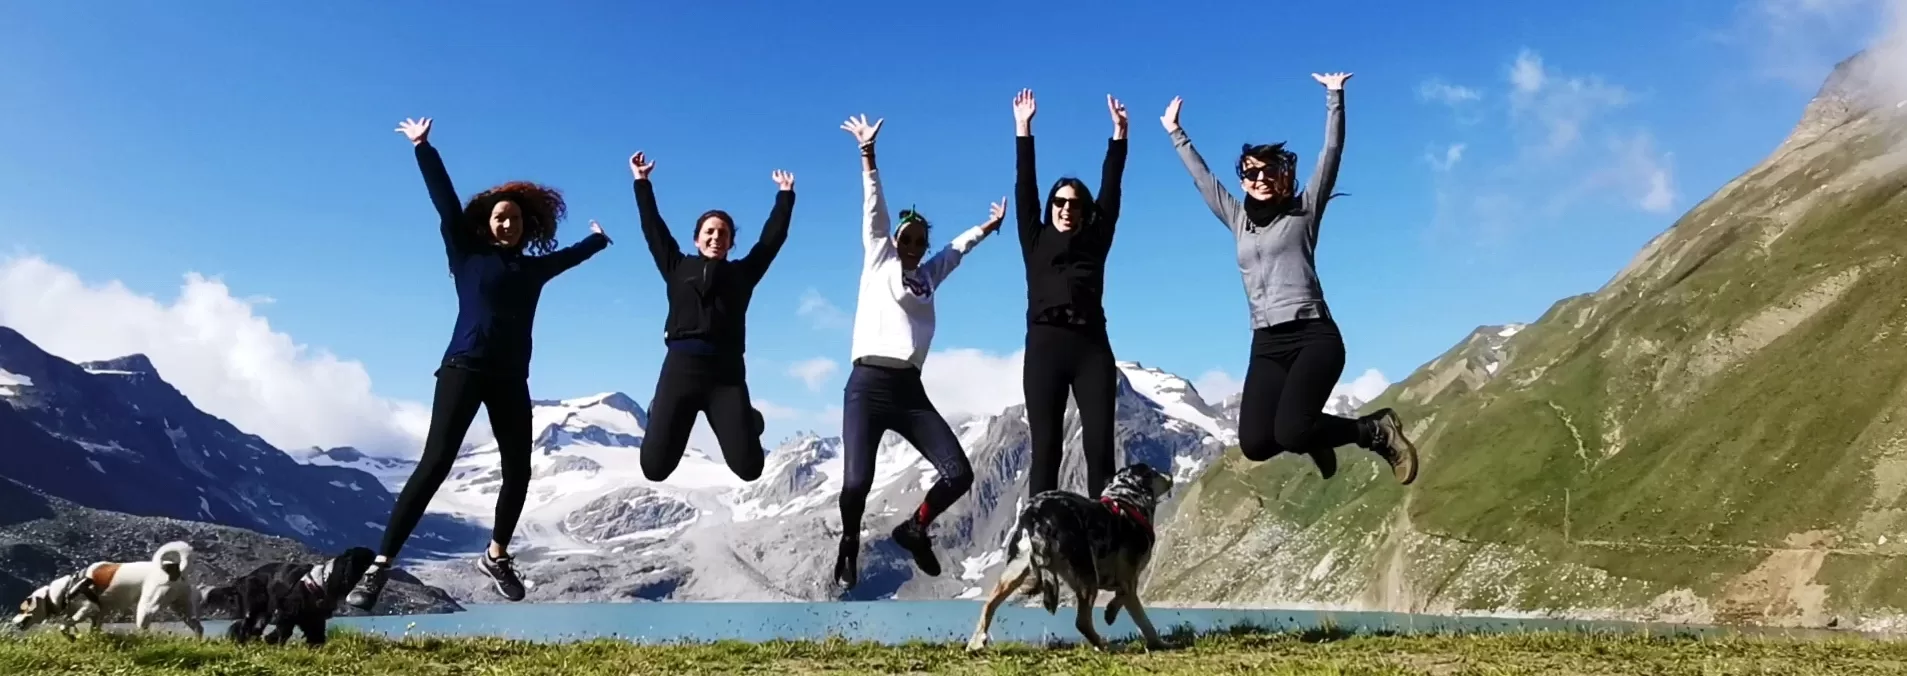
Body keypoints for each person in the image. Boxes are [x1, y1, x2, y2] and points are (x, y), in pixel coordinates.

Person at [346, 117, 613, 611]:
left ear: (526, 227)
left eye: (514, 218)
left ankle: (496, 555)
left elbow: (572, 256)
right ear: (487, 223)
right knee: (435, 464)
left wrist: (598, 240)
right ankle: (379, 567)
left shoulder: (533, 269)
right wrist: (424, 148)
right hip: (463, 368)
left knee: (518, 470)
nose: (506, 223)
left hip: (510, 378)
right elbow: (445, 203)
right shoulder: (466, 255)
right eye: (499, 217)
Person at [1160, 73, 1419, 485]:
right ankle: (1313, 436)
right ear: (1243, 181)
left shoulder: (1304, 211)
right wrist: (1176, 133)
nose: (1260, 179)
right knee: (1256, 443)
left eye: (1269, 172)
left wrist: (1335, 97)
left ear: (1282, 175)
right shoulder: (1237, 219)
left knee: (1292, 431)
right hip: (1266, 343)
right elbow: (1204, 180)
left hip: (1313, 335)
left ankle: (1373, 431)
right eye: (1251, 174)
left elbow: (1331, 153)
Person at [833, 114, 1005, 589]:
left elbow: (956, 250)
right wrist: (868, 155)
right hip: (867, 386)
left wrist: (988, 227)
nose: (911, 246)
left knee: (959, 473)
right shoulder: (878, 259)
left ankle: (915, 528)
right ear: (894, 241)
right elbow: (875, 210)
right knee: (856, 483)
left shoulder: (928, 276)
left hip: (909, 389)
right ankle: (849, 541)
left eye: (918, 242)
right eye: (905, 239)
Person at [628, 150, 792, 484]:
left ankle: (749, 419)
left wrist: (785, 197)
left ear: (731, 242)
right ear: (697, 238)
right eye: (710, 232)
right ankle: (658, 410)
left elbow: (771, 241)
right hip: (680, 370)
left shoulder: (743, 273)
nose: (716, 237)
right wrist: (642, 183)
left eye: (723, 233)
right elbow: (653, 228)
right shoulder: (677, 266)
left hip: (726, 375)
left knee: (749, 468)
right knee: (654, 470)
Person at [1011, 89, 1129, 499]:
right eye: (1059, 202)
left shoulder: (1096, 240)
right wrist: (1023, 129)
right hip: (1045, 347)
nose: (1065, 209)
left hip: (1091, 348)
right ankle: (1038, 525)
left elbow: (1111, 191)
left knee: (1100, 450)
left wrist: (1119, 136)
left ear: (1083, 211)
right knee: (1046, 450)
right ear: (1051, 206)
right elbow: (1025, 185)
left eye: (1074, 204)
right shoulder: (1034, 238)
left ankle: (1105, 527)